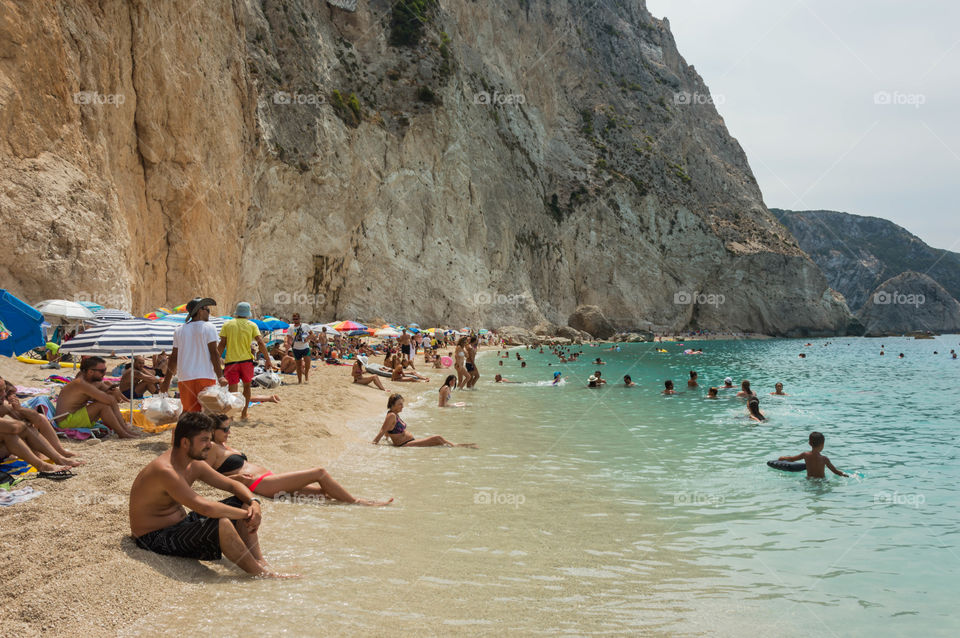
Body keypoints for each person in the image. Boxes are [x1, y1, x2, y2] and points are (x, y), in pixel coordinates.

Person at [129, 413, 293, 577]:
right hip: (154, 537)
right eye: (204, 440)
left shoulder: (193, 462)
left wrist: (254, 503)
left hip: (181, 524)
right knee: (222, 523)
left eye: (210, 439)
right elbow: (205, 508)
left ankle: (259, 560)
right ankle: (260, 574)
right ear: (185, 442)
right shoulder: (166, 471)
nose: (210, 445)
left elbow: (232, 485)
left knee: (243, 502)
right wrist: (247, 515)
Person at [205, 415, 391, 506]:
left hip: (269, 479)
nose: (229, 432)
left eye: (229, 428)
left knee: (324, 494)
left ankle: (358, 502)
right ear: (213, 431)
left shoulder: (224, 445)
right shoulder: (212, 447)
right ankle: (358, 502)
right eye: (225, 429)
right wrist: (236, 480)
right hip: (260, 484)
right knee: (319, 473)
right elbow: (206, 475)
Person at [159, 297, 226, 413]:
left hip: (185, 378)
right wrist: (220, 376)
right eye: (207, 309)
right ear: (200, 311)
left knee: (188, 413)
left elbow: (173, 358)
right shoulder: (209, 327)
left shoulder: (179, 330)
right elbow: (214, 353)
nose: (209, 312)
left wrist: (166, 381)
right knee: (207, 412)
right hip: (205, 376)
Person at [2, 380, 83, 467]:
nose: (4, 394)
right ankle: (43, 460)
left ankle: (60, 452)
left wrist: (20, 409)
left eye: (4, 391)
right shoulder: (4, 405)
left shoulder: (4, 405)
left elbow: (36, 418)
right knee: (21, 430)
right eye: (3, 392)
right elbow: (14, 428)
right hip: (6, 446)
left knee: (40, 418)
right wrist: (25, 423)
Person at [54, 356, 140, 438]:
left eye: (105, 370)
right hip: (66, 421)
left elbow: (106, 390)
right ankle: (123, 432)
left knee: (105, 402)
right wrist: (110, 392)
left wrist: (112, 390)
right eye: (102, 371)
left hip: (73, 416)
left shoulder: (85, 377)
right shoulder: (81, 383)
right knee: (103, 405)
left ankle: (124, 430)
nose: (104, 373)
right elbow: (110, 400)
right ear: (90, 372)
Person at [218, 302, 273, 421]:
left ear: (236, 312)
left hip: (231, 362)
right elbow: (260, 342)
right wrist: (268, 359)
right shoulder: (252, 325)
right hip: (246, 362)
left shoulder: (228, 324)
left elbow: (222, 344)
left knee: (232, 389)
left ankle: (231, 416)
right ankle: (244, 414)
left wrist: (216, 359)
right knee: (247, 387)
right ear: (248, 313)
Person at [373, 394, 476, 447]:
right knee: (438, 438)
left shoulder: (394, 414)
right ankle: (458, 447)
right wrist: (374, 443)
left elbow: (388, 430)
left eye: (402, 403)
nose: (402, 406)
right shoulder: (391, 415)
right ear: (392, 405)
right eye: (400, 404)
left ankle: (456, 446)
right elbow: (383, 430)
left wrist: (387, 440)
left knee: (439, 441)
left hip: (408, 442)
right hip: (404, 445)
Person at [778, 432, 849, 478]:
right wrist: (843, 474)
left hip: (809, 480)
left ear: (809, 443)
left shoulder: (805, 455)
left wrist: (783, 458)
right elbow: (835, 472)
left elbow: (792, 459)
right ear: (823, 445)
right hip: (821, 481)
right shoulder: (824, 459)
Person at [285, 314, 314, 384]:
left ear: (299, 319)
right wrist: (288, 343)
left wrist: (307, 338)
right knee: (298, 365)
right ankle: (299, 380)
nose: (295, 320)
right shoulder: (291, 327)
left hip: (305, 347)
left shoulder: (305, 326)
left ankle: (306, 374)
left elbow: (312, 334)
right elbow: (288, 337)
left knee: (308, 362)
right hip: (296, 348)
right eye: (294, 319)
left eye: (296, 319)